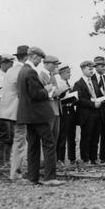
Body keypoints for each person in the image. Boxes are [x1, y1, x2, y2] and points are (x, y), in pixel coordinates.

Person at [16, 47, 63, 186]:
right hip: (38, 114)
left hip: (27, 115)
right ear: (34, 57)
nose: (40, 61)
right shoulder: (30, 72)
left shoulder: (22, 71)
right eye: (40, 59)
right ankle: (49, 178)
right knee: (49, 144)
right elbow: (36, 94)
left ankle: (33, 177)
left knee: (33, 146)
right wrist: (47, 90)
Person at [0, 45, 29, 181]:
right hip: (17, 110)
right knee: (19, 141)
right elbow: (24, 92)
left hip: (7, 110)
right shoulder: (23, 70)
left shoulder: (11, 70)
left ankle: (13, 168)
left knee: (15, 140)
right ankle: (15, 172)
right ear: (27, 57)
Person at [73, 61, 102, 164]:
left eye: (92, 69)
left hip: (97, 113)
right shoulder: (78, 84)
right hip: (86, 114)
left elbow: (97, 95)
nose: (92, 71)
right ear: (83, 69)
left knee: (95, 137)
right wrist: (92, 104)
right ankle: (86, 159)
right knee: (86, 137)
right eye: (90, 69)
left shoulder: (94, 83)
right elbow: (78, 100)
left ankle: (94, 158)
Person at [0, 53, 14, 169]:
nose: (12, 65)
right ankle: (2, 162)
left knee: (11, 135)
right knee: (4, 136)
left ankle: (8, 160)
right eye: (10, 63)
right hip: (1, 109)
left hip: (11, 108)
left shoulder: (9, 75)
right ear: (4, 63)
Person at [92, 56, 105, 164]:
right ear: (95, 67)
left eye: (104, 65)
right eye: (101, 66)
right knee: (95, 135)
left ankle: (103, 158)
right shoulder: (91, 79)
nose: (104, 68)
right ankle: (93, 158)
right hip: (95, 110)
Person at [56, 64, 77, 164]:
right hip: (63, 110)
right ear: (62, 73)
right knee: (63, 135)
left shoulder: (69, 83)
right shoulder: (59, 83)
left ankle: (72, 157)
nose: (70, 74)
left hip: (71, 108)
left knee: (72, 135)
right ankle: (60, 158)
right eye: (68, 72)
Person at [42, 55, 63, 148]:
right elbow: (41, 93)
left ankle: (51, 161)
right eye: (54, 64)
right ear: (46, 64)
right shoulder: (41, 76)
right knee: (47, 138)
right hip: (48, 111)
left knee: (54, 138)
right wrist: (54, 93)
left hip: (56, 110)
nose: (56, 67)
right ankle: (44, 161)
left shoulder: (52, 76)